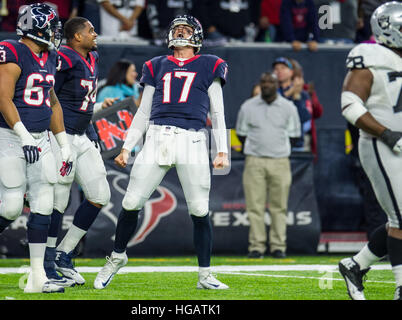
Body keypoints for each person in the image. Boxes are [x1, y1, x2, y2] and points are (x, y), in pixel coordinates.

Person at [93, 14, 230, 290]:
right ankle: (118, 256)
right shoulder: (155, 65)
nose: (180, 32)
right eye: (176, 28)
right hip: (157, 137)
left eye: (186, 29)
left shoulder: (211, 64)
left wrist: (222, 150)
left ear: (197, 37)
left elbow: (217, 111)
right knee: (131, 202)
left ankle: (205, 274)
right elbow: (143, 112)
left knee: (200, 210)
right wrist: (127, 146)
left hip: (192, 140)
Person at [0, 3, 72, 294]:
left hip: (41, 137)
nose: (56, 32)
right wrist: (23, 134)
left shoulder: (49, 56)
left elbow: (52, 102)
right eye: (52, 25)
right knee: (11, 207)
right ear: (36, 27)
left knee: (43, 204)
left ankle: (38, 277)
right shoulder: (10, 51)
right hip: (11, 136)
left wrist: (64, 144)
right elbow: (2, 97)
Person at [338, 2, 402, 300]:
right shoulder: (372, 55)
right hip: (379, 143)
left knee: (397, 220)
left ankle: (355, 265)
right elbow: (350, 104)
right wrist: (386, 133)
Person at [43, 16, 111, 287]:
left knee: (100, 195)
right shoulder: (64, 57)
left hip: (82, 135)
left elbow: (86, 104)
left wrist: (91, 133)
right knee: (59, 200)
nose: (95, 34)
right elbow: (46, 95)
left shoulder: (91, 58)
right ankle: (47, 261)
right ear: (76, 37)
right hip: (62, 136)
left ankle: (63, 253)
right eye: (90, 31)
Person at [236, 72, 301, 259]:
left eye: (270, 82)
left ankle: (278, 246)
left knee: (279, 206)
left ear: (277, 85)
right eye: (263, 81)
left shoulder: (288, 107)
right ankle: (256, 247)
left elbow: (295, 136)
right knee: (254, 206)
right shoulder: (248, 107)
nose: (266, 85)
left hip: (280, 161)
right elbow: (241, 134)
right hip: (254, 160)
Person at [272, 57, 311, 152]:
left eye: (283, 68)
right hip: (275, 144)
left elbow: (306, 118)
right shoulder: (270, 93)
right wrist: (290, 93)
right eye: (276, 69)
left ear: (291, 72)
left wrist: (296, 96)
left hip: (296, 145)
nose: (279, 71)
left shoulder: (302, 94)